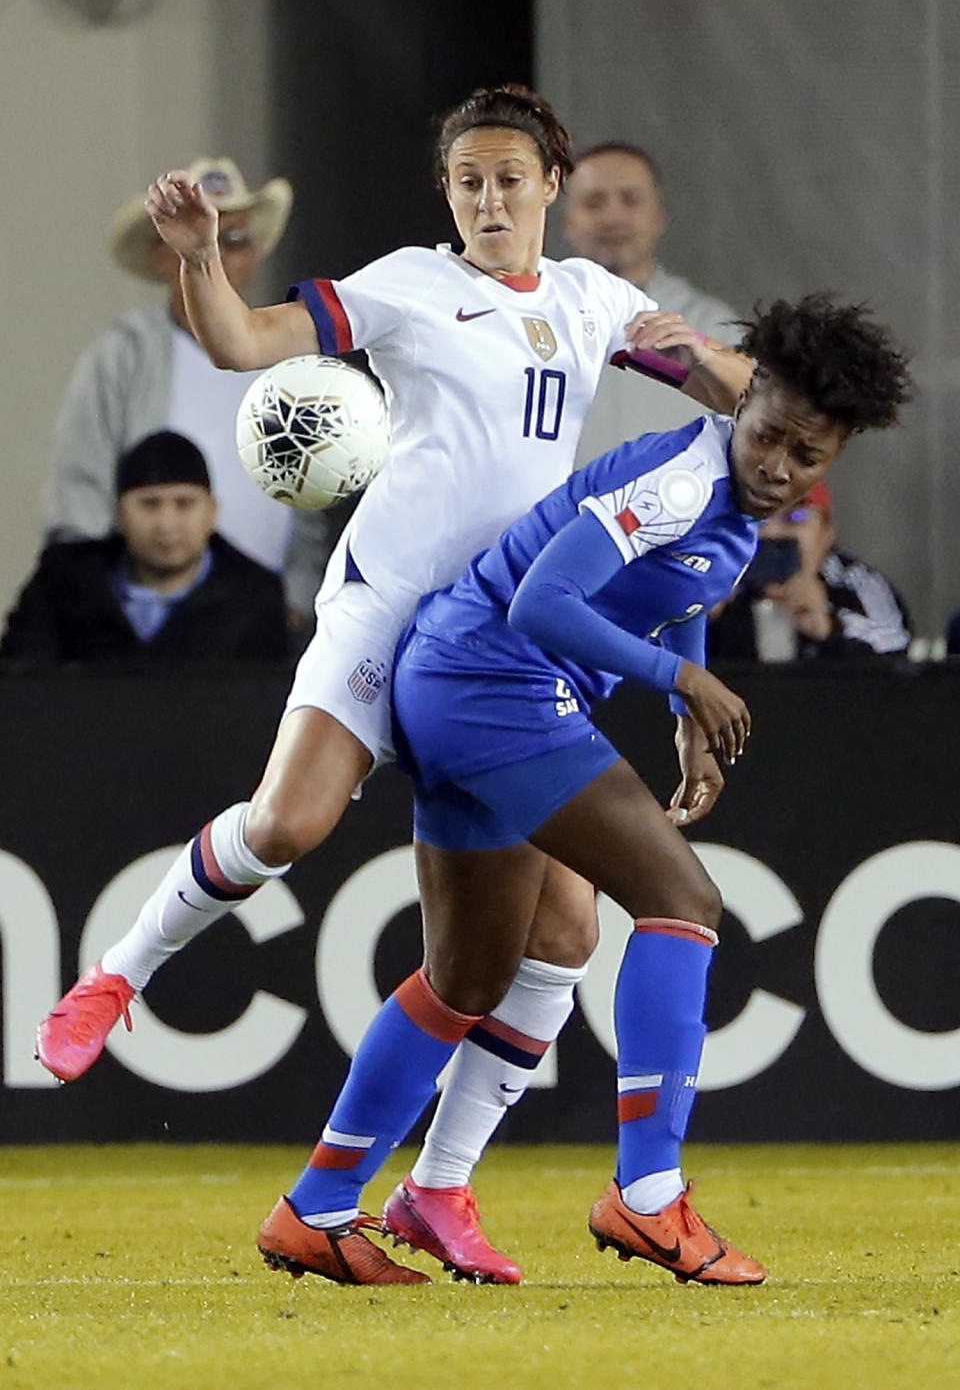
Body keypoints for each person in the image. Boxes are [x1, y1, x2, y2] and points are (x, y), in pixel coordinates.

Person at [35, 85, 755, 1285]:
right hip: (389, 603)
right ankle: (117, 976)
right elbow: (242, 343)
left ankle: (438, 1191)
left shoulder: (596, 304)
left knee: (564, 930)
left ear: (550, 188)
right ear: (449, 193)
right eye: (467, 180)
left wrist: (812, 391)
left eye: (508, 179)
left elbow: (730, 380)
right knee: (289, 821)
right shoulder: (410, 286)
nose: (486, 199)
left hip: (502, 636)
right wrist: (202, 258)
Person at [256, 295, 909, 1290]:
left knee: (474, 977)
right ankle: (648, 1196)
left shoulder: (731, 504)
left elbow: (680, 592)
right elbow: (542, 600)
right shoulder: (686, 481)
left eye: (808, 456)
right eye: (770, 434)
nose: (779, 466)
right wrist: (683, 681)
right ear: (743, 401)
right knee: (684, 901)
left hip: (467, 684)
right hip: (492, 685)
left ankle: (316, 1205)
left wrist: (685, 719)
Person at [43, 157, 330, 620]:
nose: (214, 254)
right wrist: (95, 605)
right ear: (161, 254)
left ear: (255, 255)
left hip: (263, 625)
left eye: (232, 241)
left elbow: (310, 498)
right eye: (198, 238)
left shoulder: (288, 355)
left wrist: (299, 600)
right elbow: (80, 487)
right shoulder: (124, 354)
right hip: (141, 620)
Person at [1, 432, 289, 664]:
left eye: (184, 504)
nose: (166, 524)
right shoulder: (62, 580)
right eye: (149, 504)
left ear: (212, 512)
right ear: (118, 514)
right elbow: (20, 687)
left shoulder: (255, 595)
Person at [563, 143, 741, 465]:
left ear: (659, 216)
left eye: (630, 200)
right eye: (593, 202)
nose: (612, 218)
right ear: (568, 220)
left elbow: (769, 420)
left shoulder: (716, 328)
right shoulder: (533, 317)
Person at [708, 480, 912, 660]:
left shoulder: (853, 583)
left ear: (826, 532)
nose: (772, 534)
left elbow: (897, 652)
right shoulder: (713, 575)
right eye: (757, 520)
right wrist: (701, 618)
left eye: (795, 518)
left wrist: (830, 627)